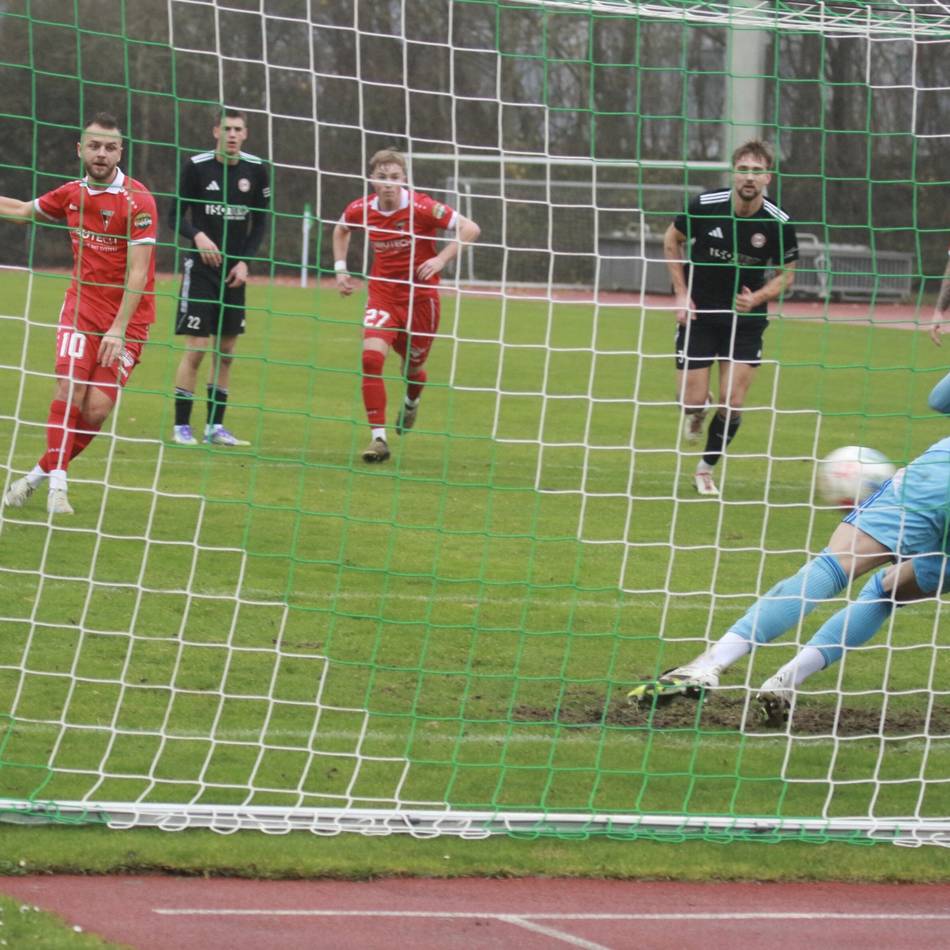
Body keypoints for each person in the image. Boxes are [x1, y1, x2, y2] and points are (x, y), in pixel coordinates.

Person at [629, 370, 950, 726]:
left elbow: (939, 399)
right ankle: (787, 681)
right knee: (887, 591)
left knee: (834, 566)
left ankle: (707, 666)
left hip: (937, 481)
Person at [1, 113, 157, 515]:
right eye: (94, 146)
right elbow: (20, 209)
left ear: (121, 151)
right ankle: (59, 488)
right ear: (80, 149)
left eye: (109, 147)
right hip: (81, 308)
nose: (101, 154)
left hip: (129, 318)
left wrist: (119, 329)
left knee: (96, 410)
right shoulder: (71, 195)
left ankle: (34, 478)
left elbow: (139, 273)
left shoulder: (138, 201)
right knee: (69, 387)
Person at [664, 140, 798, 496]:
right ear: (733, 173)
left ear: (768, 177)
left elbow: (787, 275)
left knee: (733, 401)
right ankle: (697, 409)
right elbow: (670, 240)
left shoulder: (778, 222)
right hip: (701, 314)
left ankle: (705, 469)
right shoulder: (705, 206)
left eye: (757, 171)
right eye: (743, 170)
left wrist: (756, 297)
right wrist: (681, 293)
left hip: (745, 320)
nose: (749, 177)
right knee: (690, 400)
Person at [332, 148, 480, 463]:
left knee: (411, 370)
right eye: (382, 177)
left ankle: (412, 401)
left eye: (395, 178)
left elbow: (470, 228)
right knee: (371, 359)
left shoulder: (422, 207)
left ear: (404, 180)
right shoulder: (361, 209)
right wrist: (341, 269)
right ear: (371, 180)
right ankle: (379, 439)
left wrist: (441, 258)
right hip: (383, 295)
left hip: (421, 299)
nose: (388, 184)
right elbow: (341, 229)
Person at [169, 108, 271, 446]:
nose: (231, 134)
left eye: (237, 129)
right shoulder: (196, 167)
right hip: (200, 271)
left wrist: (244, 262)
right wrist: (197, 235)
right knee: (197, 348)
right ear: (215, 131)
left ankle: (215, 427)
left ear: (245, 134)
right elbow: (174, 216)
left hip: (233, 275)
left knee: (226, 351)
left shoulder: (256, 170)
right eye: (226, 128)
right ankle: (182, 426)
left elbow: (262, 222)